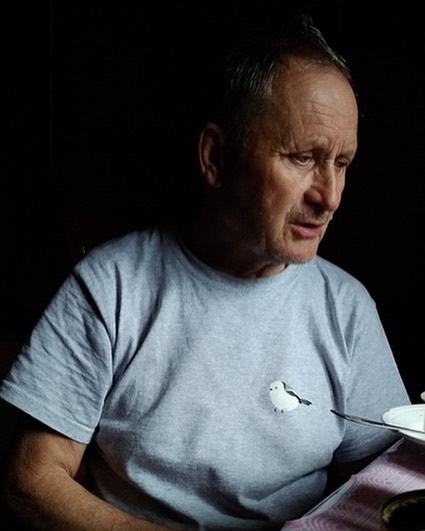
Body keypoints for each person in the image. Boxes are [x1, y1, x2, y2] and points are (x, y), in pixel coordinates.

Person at [0, 9, 411, 531]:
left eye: (342, 163)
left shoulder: (346, 307)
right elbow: (30, 481)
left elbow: (385, 481)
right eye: (302, 158)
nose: (328, 197)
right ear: (216, 157)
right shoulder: (110, 288)